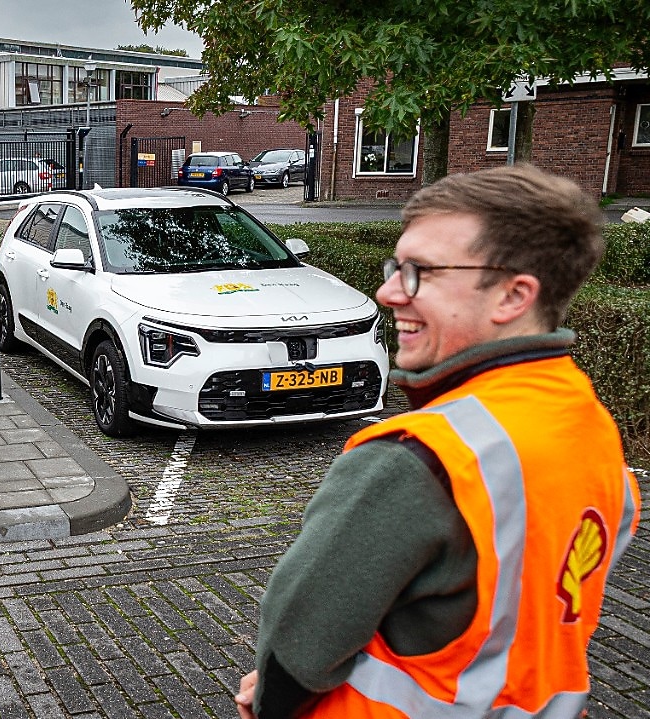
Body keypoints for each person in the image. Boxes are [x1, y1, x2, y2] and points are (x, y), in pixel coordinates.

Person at [236, 164, 641, 719]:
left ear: (512, 296)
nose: (386, 292)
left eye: (419, 272)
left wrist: (272, 699)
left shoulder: (418, 458)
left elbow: (296, 652)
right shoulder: (591, 429)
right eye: (395, 268)